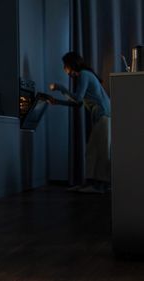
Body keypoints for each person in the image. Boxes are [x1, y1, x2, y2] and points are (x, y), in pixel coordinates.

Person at [49, 51, 111, 194]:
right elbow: (78, 104)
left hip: (104, 115)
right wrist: (57, 102)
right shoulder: (85, 75)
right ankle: (93, 184)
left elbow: (77, 99)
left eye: (65, 66)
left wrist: (59, 88)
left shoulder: (83, 74)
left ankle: (99, 186)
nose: (64, 69)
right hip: (103, 116)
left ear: (71, 65)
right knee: (94, 151)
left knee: (99, 152)